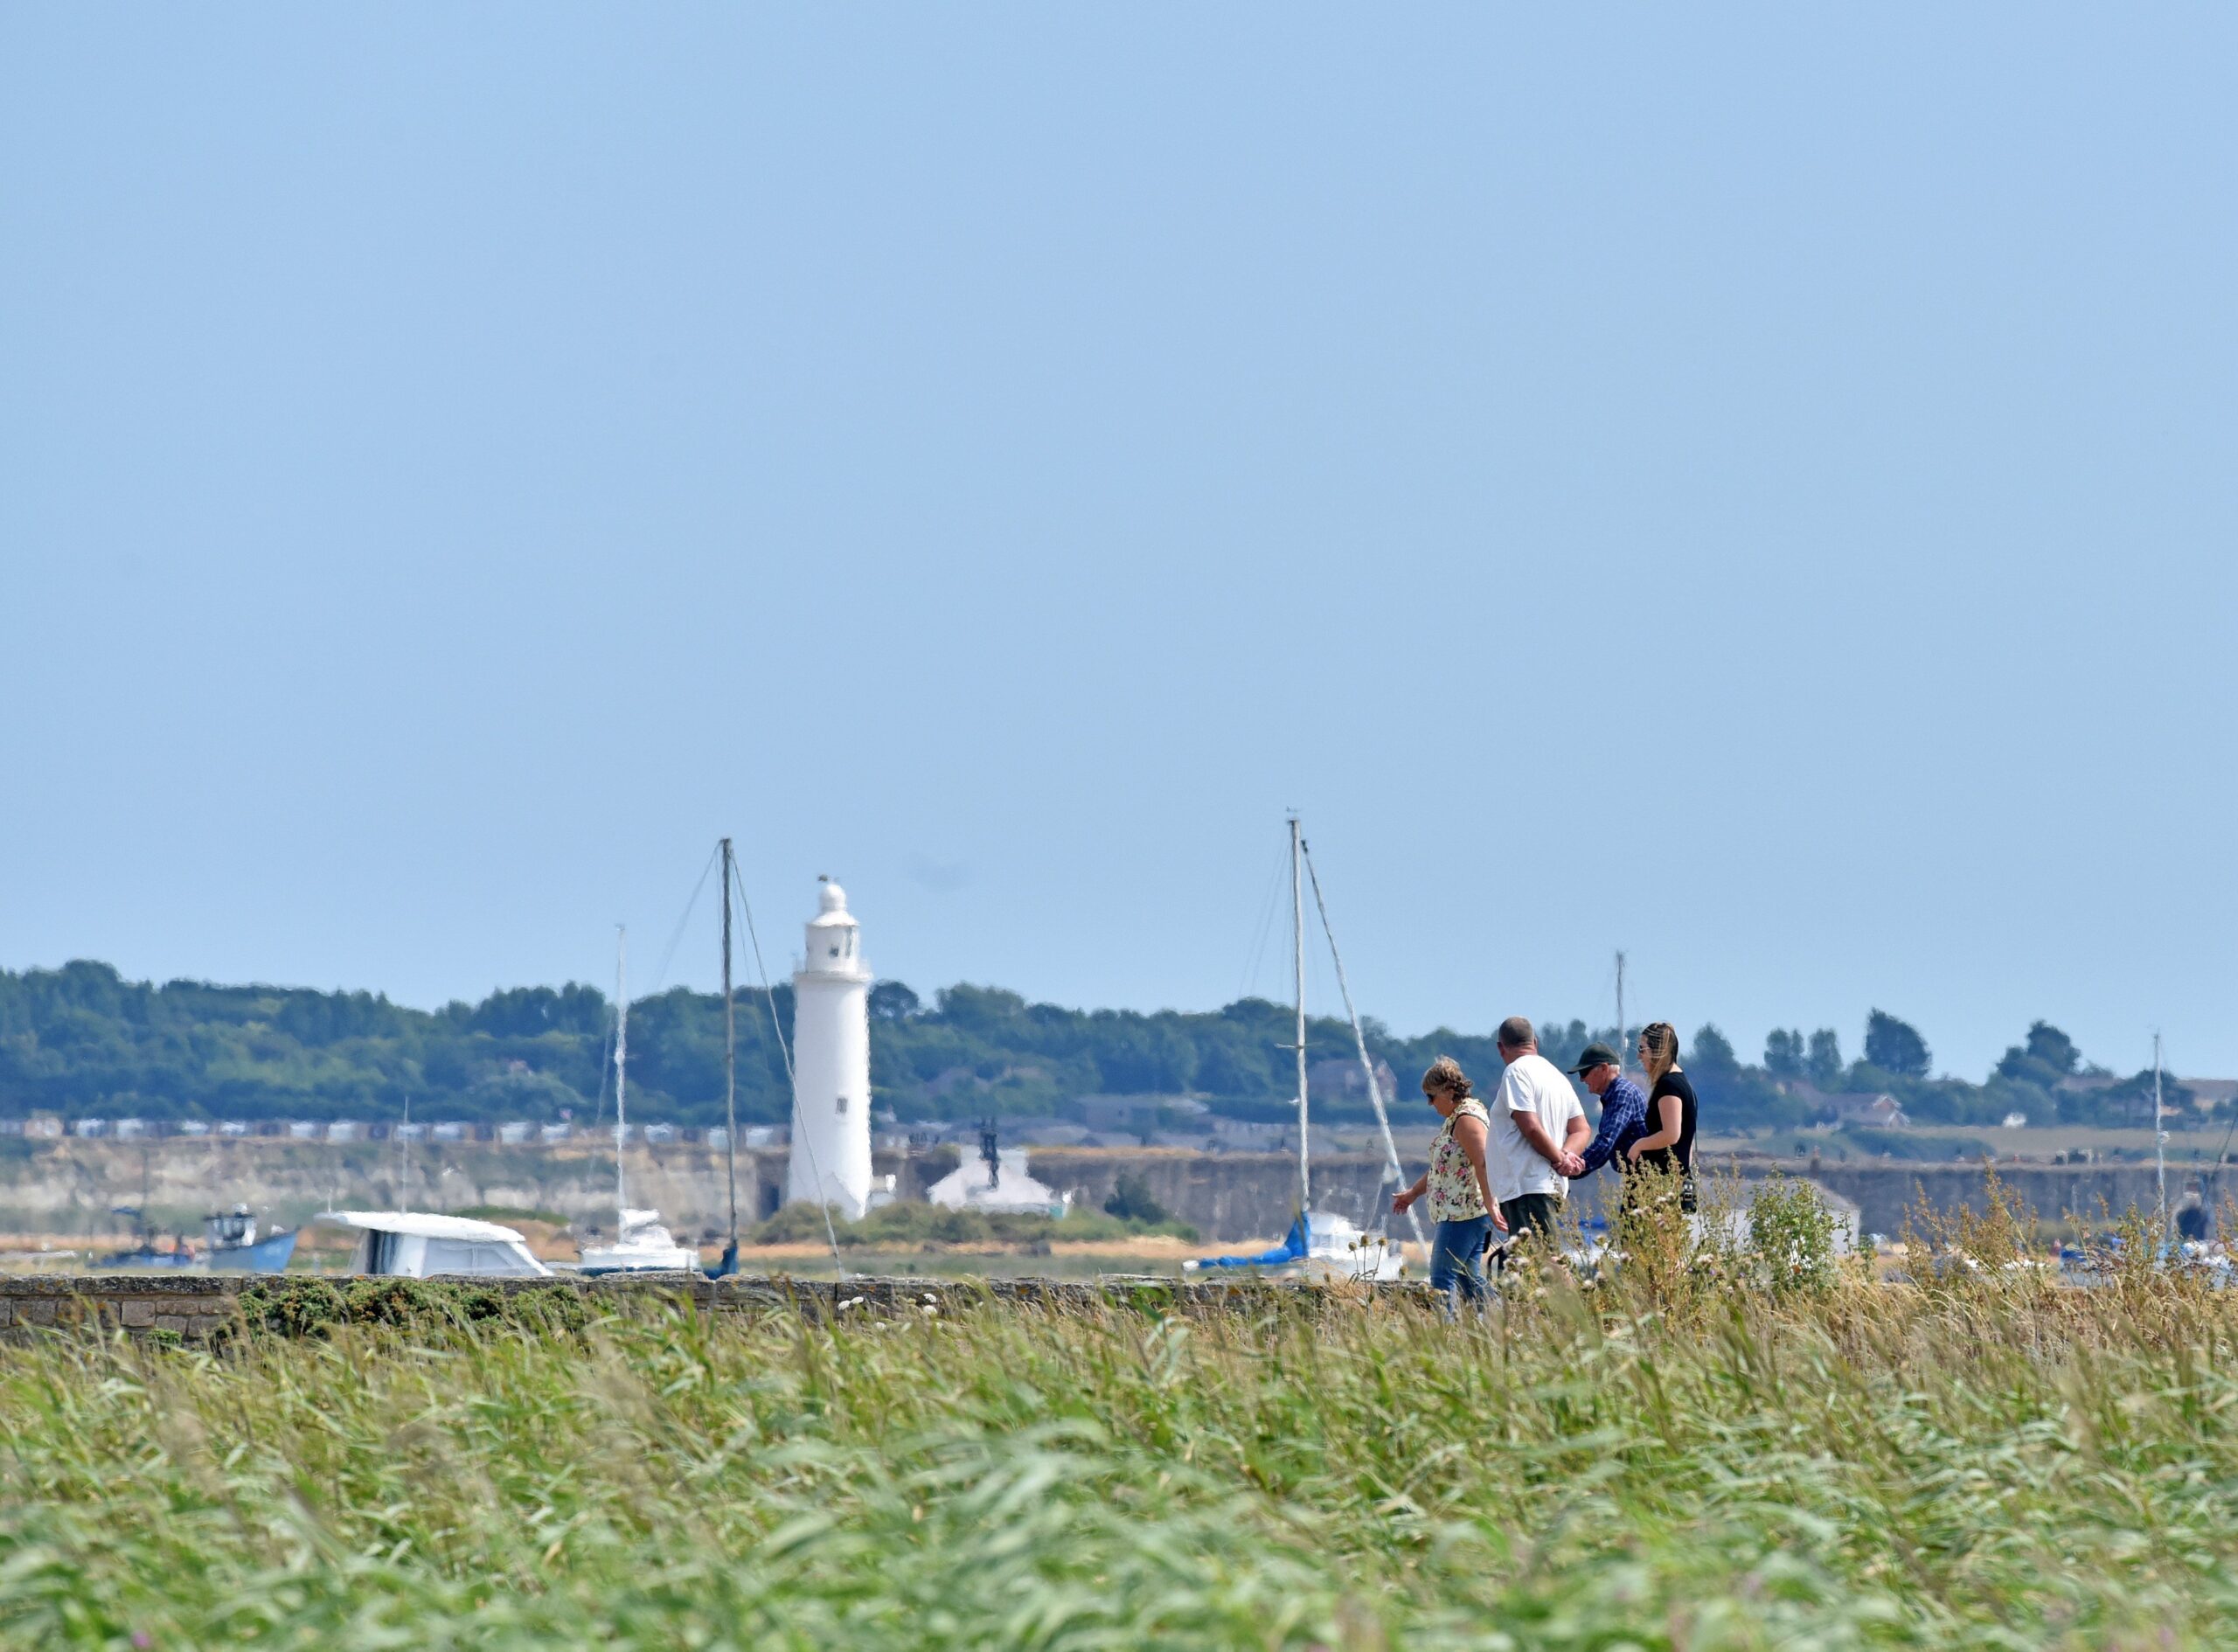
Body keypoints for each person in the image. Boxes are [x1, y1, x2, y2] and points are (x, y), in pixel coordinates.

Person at [1392, 1056, 1504, 1308]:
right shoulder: (1456, 1119)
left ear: (1450, 1092)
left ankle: (1446, 1337)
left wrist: (1490, 1203)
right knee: (1467, 1276)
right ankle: (1500, 1321)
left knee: (1443, 1277)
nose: (1430, 1104)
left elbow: (1483, 1163)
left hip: (1463, 1213)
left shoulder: (1466, 1120)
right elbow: (1441, 1169)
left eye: (1432, 1097)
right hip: (1463, 1210)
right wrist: (1413, 1193)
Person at [1487, 1017, 1590, 1248]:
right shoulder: (1556, 1076)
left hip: (1526, 1185)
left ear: (1501, 1047)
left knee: (1536, 1265)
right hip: (1548, 1185)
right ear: (1535, 1041)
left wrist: (1559, 1158)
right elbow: (1581, 1129)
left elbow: (1530, 1126)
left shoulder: (1516, 1072)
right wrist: (1565, 1155)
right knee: (1542, 1259)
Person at [1627, 1022, 1699, 1212]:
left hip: (1659, 1182)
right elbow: (1687, 1141)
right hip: (1670, 1181)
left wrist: (1639, 1145)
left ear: (1657, 1052)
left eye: (1642, 1050)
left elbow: (1672, 1134)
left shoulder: (1669, 1086)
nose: (1638, 1056)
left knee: (1638, 1238)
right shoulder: (1682, 1083)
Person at [1567, 1041, 1649, 1183]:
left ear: (1604, 1068)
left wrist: (1575, 1166)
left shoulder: (1622, 1093)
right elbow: (1607, 1146)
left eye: (1585, 1072)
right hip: (1639, 1176)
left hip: (1647, 1177)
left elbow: (1607, 1140)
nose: (1581, 1079)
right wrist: (1575, 1170)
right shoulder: (1615, 1095)